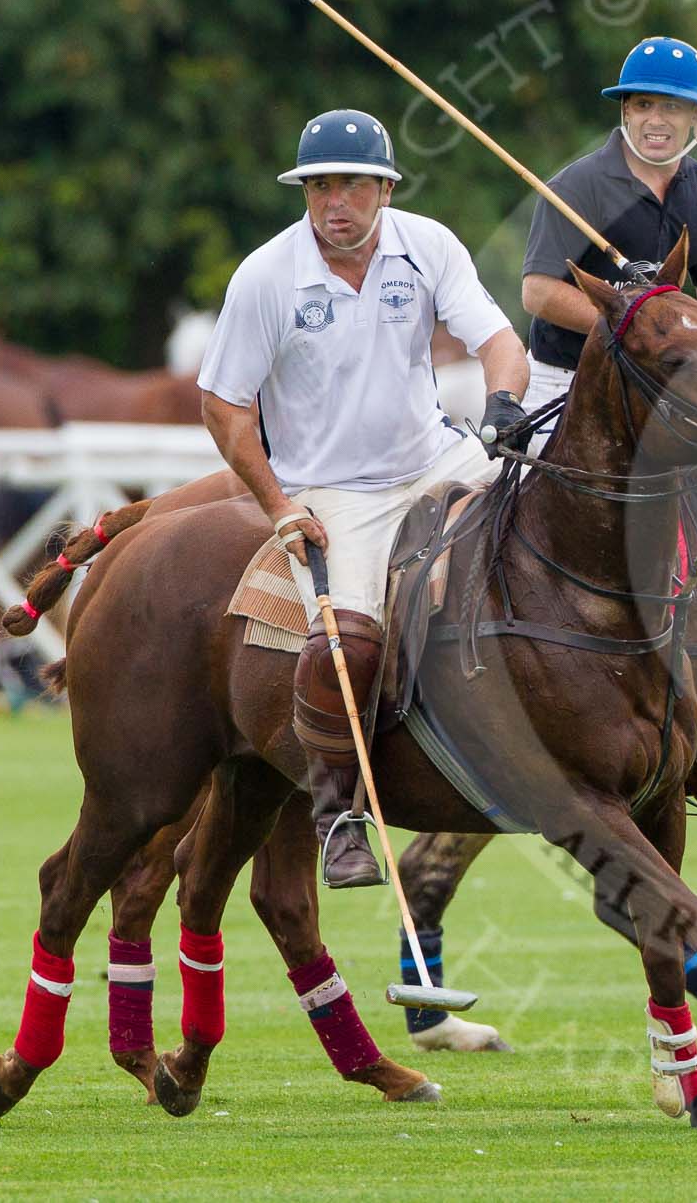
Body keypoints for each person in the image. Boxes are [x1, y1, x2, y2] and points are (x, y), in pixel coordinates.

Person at [197, 108, 530, 887]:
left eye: (350, 184)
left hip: (437, 457)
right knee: (347, 646)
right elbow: (224, 405)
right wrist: (280, 503)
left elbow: (498, 341)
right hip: (337, 490)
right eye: (317, 185)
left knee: (554, 538)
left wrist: (504, 403)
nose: (332, 201)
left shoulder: (428, 245)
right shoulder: (267, 276)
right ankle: (340, 814)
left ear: (385, 188)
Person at [518, 35, 697, 452]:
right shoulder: (579, 186)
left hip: (660, 389)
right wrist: (633, 329)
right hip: (566, 381)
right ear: (625, 110)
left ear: (695, 116)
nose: (655, 120)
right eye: (643, 105)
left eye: (671, 106)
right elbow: (537, 292)